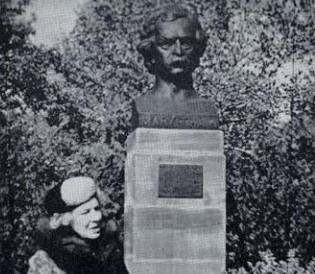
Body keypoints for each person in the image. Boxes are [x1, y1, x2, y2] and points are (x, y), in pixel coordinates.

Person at [133, 4, 218, 130]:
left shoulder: (208, 109)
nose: (178, 51)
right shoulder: (142, 107)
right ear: (150, 52)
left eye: (186, 43)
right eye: (166, 44)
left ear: (197, 49)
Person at [28, 177, 129, 274]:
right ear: (64, 220)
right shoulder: (47, 263)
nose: (97, 217)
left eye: (97, 209)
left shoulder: (109, 250)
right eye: (85, 212)